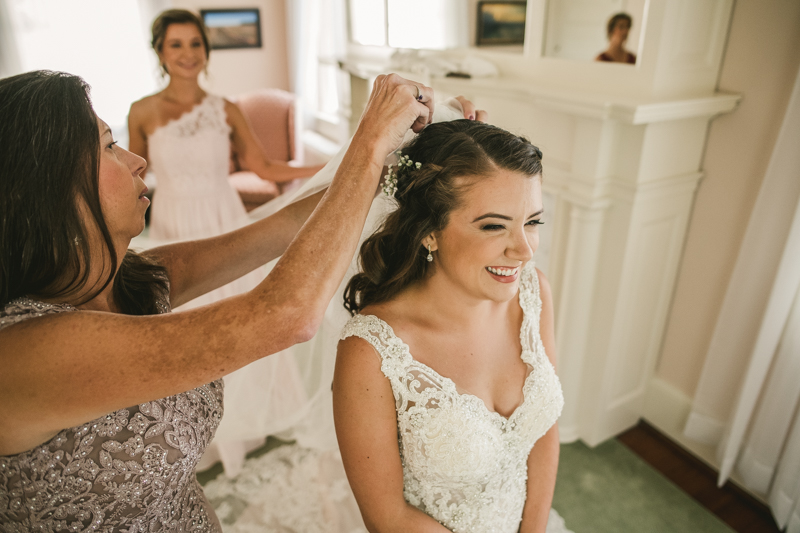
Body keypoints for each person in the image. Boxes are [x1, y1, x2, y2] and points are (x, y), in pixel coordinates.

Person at [0, 69, 444, 531]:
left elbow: (275, 231)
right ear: (50, 188)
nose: (136, 161)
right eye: (110, 146)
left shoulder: (126, 280)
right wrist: (370, 142)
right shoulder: (26, 354)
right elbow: (285, 314)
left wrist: (403, 164)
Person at [333, 120, 568, 532]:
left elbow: (543, 433)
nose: (524, 250)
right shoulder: (370, 352)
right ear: (430, 233)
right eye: (494, 225)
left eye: (533, 222)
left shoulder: (535, 293)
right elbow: (387, 518)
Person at [127, 9, 324, 474]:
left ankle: (255, 422)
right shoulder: (143, 111)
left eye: (195, 44)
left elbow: (267, 169)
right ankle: (204, 438)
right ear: (160, 52)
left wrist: (337, 167)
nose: (187, 54)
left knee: (244, 320)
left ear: (206, 51)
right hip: (174, 225)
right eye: (176, 45)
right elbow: (133, 176)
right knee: (190, 332)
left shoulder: (226, 109)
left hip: (223, 220)